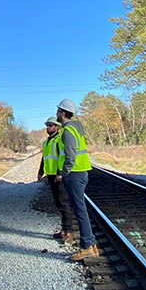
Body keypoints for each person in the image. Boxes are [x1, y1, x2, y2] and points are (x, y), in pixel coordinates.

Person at [54, 98, 100, 261]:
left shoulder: (67, 131)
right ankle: (90, 244)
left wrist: (64, 172)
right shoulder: (73, 129)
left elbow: (71, 155)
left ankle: (87, 246)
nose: (56, 114)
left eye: (58, 111)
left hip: (74, 174)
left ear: (64, 113)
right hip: (79, 173)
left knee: (80, 210)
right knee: (80, 209)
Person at [39, 118, 76, 246]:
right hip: (50, 176)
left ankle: (69, 231)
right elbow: (44, 158)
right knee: (58, 203)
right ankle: (64, 229)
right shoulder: (46, 142)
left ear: (57, 127)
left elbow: (63, 157)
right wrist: (40, 173)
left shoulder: (59, 139)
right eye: (47, 125)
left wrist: (60, 173)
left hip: (58, 176)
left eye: (50, 125)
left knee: (63, 202)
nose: (47, 127)